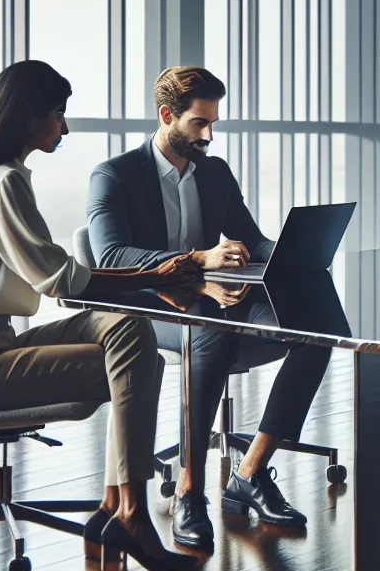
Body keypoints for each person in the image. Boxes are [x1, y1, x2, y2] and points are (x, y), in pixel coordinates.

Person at [0, 59, 200, 571]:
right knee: (137, 362)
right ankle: (129, 513)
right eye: (58, 114)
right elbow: (63, 282)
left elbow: (66, 282)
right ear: (28, 116)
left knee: (128, 328)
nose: (65, 127)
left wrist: (152, 278)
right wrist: (157, 275)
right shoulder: (1, 182)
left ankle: (114, 509)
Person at [87, 66, 332, 546]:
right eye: (199, 124)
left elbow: (249, 235)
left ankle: (251, 471)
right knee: (211, 334)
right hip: (146, 307)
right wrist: (197, 259)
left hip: (216, 296)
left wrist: (286, 253)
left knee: (314, 330)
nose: (209, 135)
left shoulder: (214, 172)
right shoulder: (114, 175)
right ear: (167, 116)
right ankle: (189, 490)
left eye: (214, 123)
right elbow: (110, 257)